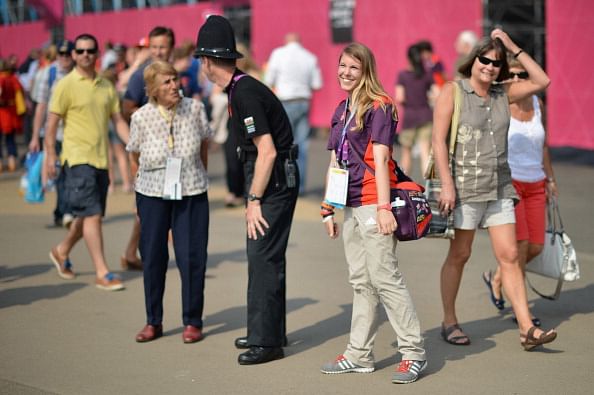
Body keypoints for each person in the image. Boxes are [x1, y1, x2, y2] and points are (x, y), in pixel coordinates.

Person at [433, 29, 557, 350]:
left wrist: (514, 47)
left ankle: (527, 329)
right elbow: (437, 141)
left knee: (511, 255)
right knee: (460, 254)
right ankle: (449, 321)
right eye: (484, 60)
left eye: (495, 63)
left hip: (500, 187)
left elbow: (542, 81)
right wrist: (447, 184)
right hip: (464, 187)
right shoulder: (454, 92)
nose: (489, 66)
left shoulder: (505, 93)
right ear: (472, 61)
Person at [319, 43, 427, 384]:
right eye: (342, 66)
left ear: (366, 69)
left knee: (384, 278)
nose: (346, 72)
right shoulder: (341, 108)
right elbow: (336, 162)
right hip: (350, 205)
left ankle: (413, 353)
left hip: (371, 203)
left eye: (354, 67)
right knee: (361, 282)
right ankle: (359, 355)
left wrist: (383, 208)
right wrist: (328, 208)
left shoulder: (380, 106)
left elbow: (381, 159)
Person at [195, 15, 299, 365]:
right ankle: (268, 331)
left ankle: (266, 342)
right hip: (273, 178)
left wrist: (253, 200)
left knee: (262, 258)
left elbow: (267, 151)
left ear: (207, 61)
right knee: (266, 259)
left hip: (274, 182)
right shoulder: (241, 88)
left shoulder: (244, 94)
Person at [127, 61, 212, 343]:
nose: (175, 85)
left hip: (191, 190)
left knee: (191, 257)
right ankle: (154, 321)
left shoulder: (196, 109)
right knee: (152, 257)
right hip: (151, 193)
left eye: (175, 79)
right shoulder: (141, 117)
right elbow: (134, 154)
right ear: (152, 89)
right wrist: (138, 191)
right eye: (166, 82)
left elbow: (204, 147)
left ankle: (192, 321)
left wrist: (198, 173)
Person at [44, 33, 130, 291]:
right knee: (92, 215)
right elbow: (51, 127)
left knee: (87, 215)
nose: (85, 55)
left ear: (97, 53)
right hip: (77, 158)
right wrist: (50, 156)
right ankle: (102, 272)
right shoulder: (65, 85)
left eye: (90, 50)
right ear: (73, 55)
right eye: (79, 51)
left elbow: (117, 122)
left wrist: (135, 145)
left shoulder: (106, 86)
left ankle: (62, 250)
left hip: (101, 160)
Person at [482, 56, 558, 326]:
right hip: (510, 184)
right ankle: (521, 309)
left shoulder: (538, 103)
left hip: (536, 182)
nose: (516, 79)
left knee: (536, 246)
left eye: (522, 74)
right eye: (511, 75)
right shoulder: (499, 104)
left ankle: (499, 278)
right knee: (520, 247)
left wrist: (550, 178)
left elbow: (544, 144)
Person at [121, 26, 176, 272]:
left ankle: (131, 253)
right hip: (147, 154)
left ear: (171, 48)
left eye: (162, 46)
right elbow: (127, 107)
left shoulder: (176, 75)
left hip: (174, 153)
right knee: (155, 206)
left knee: (170, 201)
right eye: (154, 47)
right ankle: (183, 257)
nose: (158, 51)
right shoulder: (140, 76)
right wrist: (152, 118)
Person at [264, 32, 323, 195]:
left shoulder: (278, 54)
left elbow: (268, 79)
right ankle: (300, 186)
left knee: (282, 143)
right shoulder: (310, 57)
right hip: (303, 101)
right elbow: (317, 84)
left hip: (285, 102)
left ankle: (283, 182)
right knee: (302, 145)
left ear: (286, 41)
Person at [29, 40, 75, 227]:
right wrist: (34, 137)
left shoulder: (79, 73)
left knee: (70, 172)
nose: (64, 58)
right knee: (58, 172)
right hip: (53, 133)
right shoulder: (49, 74)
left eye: (67, 54)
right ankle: (63, 211)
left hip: (74, 132)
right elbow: (40, 106)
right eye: (61, 54)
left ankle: (64, 211)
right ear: (56, 56)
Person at [395, 44, 437, 175]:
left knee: (406, 154)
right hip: (426, 115)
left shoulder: (402, 75)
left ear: (408, 58)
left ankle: (405, 186)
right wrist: (426, 99)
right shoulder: (427, 75)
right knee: (425, 152)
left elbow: (400, 97)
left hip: (409, 117)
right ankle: (430, 187)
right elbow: (437, 94)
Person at [0, 58, 25, 173]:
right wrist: (21, 111)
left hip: (2, 112)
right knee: (11, 139)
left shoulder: (2, 79)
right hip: (11, 112)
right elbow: (20, 96)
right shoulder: (13, 79)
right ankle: (12, 162)